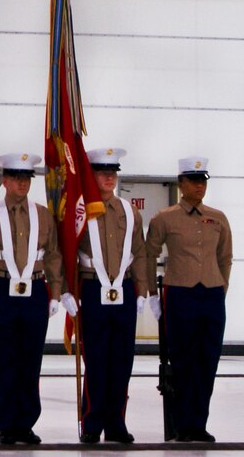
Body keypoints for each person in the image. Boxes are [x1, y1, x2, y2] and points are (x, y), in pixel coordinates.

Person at [145, 156, 232, 443]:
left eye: (203, 181)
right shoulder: (164, 218)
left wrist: (221, 289)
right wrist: (152, 294)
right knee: (182, 360)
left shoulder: (217, 217)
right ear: (181, 183)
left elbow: (225, 257)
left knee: (207, 361)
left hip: (210, 294)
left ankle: (198, 423)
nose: (199, 186)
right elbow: (149, 254)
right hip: (180, 292)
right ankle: (180, 424)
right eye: (193, 181)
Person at [0, 153, 67, 445]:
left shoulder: (42, 215)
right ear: (5, 180)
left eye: (27, 179)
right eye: (17, 178)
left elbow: (54, 255)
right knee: (5, 359)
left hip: (34, 291)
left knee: (30, 360)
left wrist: (56, 292)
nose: (22, 183)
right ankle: (6, 423)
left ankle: (26, 423)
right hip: (1, 290)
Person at [74, 148, 148, 444]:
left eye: (112, 172)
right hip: (93, 288)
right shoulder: (80, 210)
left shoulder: (130, 211)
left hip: (124, 290)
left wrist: (142, 291)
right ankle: (92, 421)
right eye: (103, 172)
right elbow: (66, 252)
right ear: (91, 175)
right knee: (95, 358)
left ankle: (116, 421)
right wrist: (68, 290)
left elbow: (140, 253)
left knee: (121, 359)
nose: (109, 177)